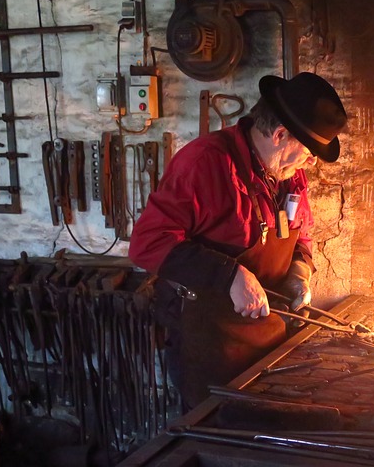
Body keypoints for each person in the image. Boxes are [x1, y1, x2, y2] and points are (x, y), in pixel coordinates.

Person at [128, 72, 348, 409]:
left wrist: (300, 269)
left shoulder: (289, 173)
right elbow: (147, 243)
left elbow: (301, 230)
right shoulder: (204, 164)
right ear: (280, 134)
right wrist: (229, 274)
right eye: (308, 151)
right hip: (209, 346)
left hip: (268, 340)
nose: (311, 161)